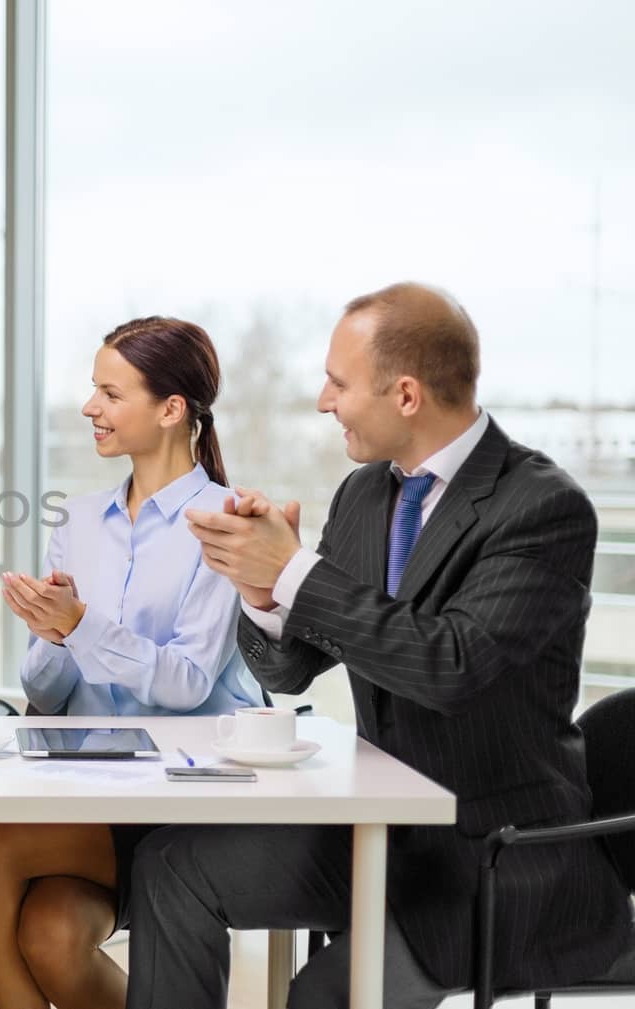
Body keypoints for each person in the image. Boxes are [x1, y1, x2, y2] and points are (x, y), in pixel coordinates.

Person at [130, 282, 635, 1008]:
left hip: (498, 859)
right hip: (384, 834)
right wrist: (264, 592)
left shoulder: (542, 508)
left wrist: (297, 571)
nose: (322, 401)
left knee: (325, 997)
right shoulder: (366, 494)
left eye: (338, 383)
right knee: (171, 866)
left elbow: (450, 666)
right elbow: (295, 666)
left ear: (405, 395)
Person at [0, 317, 263, 1009]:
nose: (89, 407)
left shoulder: (226, 522)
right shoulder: (80, 520)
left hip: (182, 803)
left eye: (109, 391)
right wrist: (57, 636)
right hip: (89, 788)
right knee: (51, 934)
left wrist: (83, 625)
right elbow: (42, 687)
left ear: (170, 409)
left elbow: (188, 683)